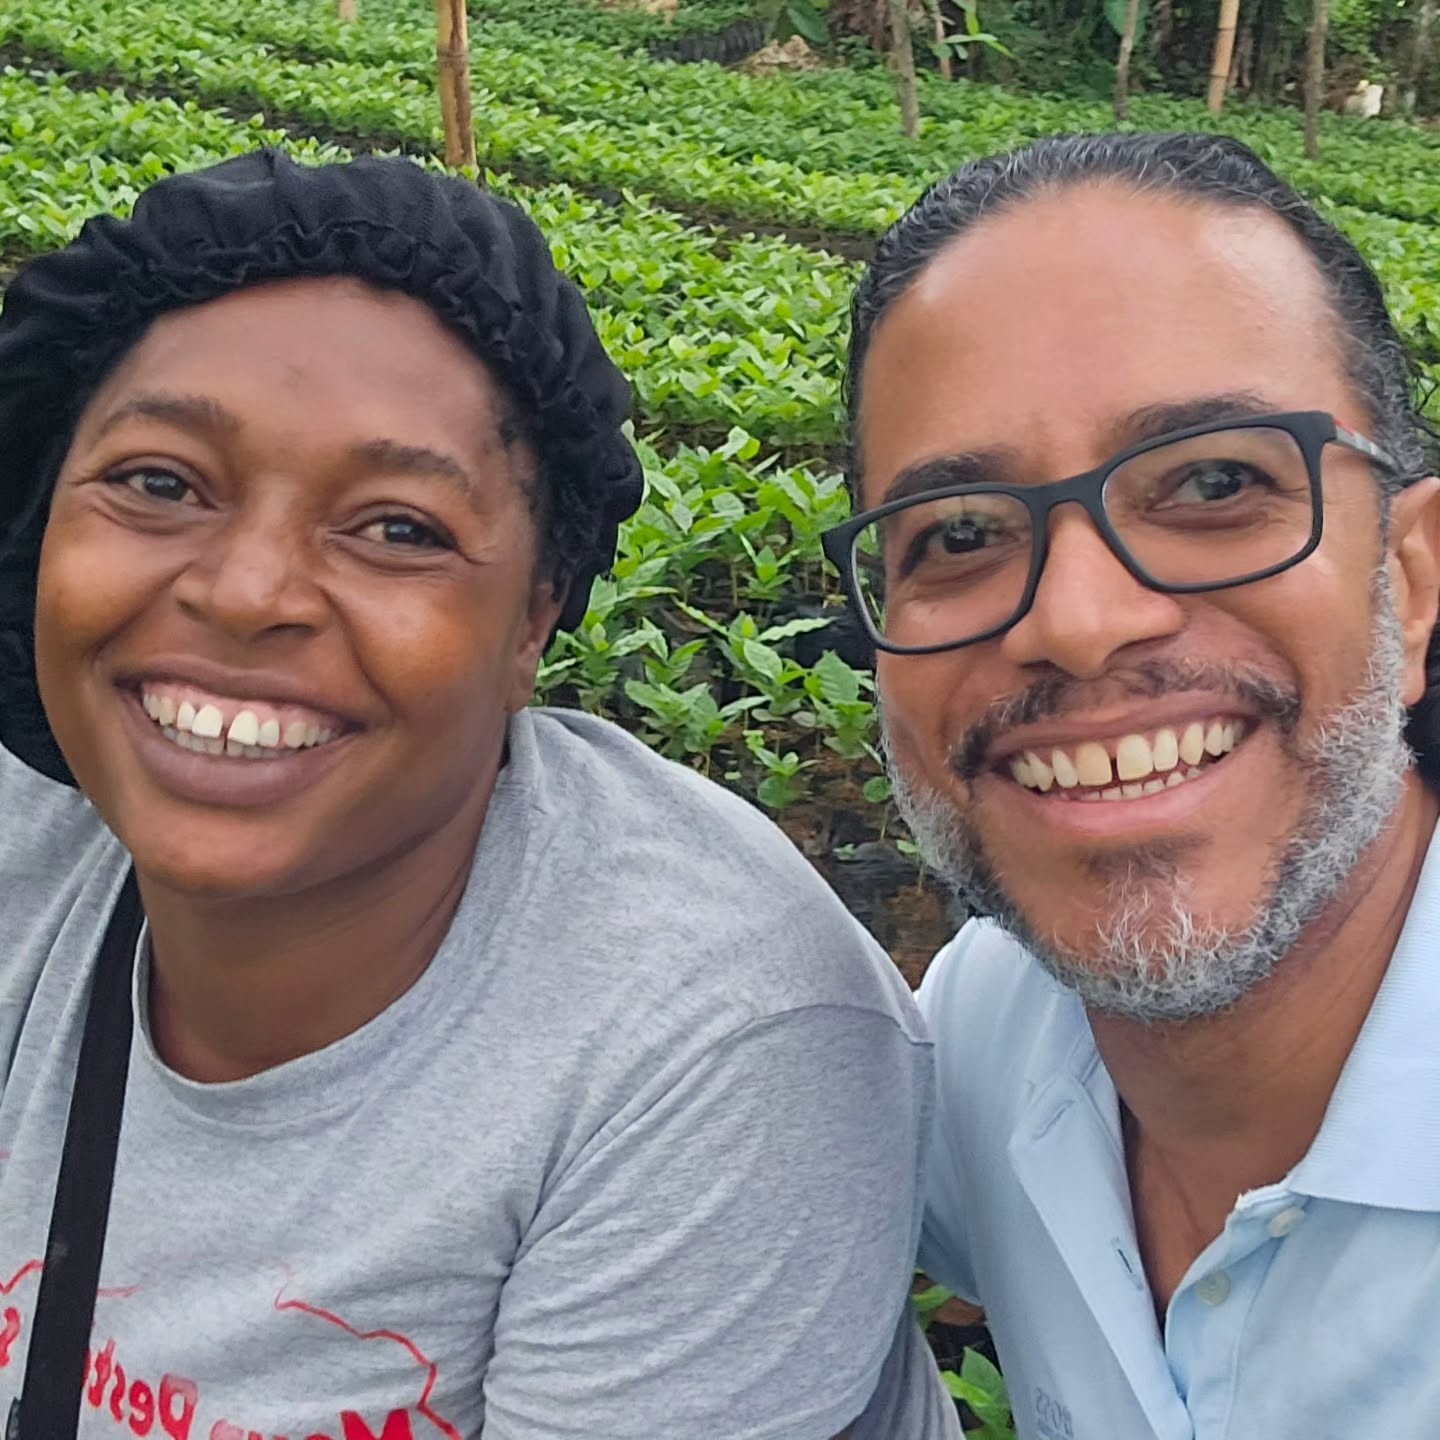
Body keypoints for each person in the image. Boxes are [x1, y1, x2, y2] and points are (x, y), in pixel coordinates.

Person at [0, 150, 956, 1440]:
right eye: (160, 483)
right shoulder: (28, 839)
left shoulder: (715, 1039)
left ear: (534, 622)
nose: (245, 592)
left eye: (399, 528)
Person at [826, 131, 1440, 1439]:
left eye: (1215, 483)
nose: (1080, 621)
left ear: (1411, 577)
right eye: (960, 534)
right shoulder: (987, 1031)